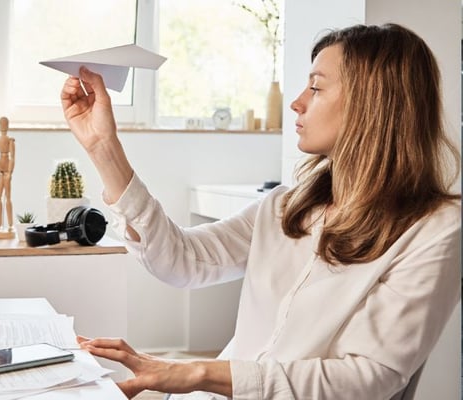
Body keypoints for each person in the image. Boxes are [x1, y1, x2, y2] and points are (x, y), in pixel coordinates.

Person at [60, 23, 461, 399]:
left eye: (316, 88)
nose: (297, 103)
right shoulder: (286, 205)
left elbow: (368, 377)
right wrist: (103, 147)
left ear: (371, 104)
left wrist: (199, 373)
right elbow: (182, 260)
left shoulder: (435, 229)